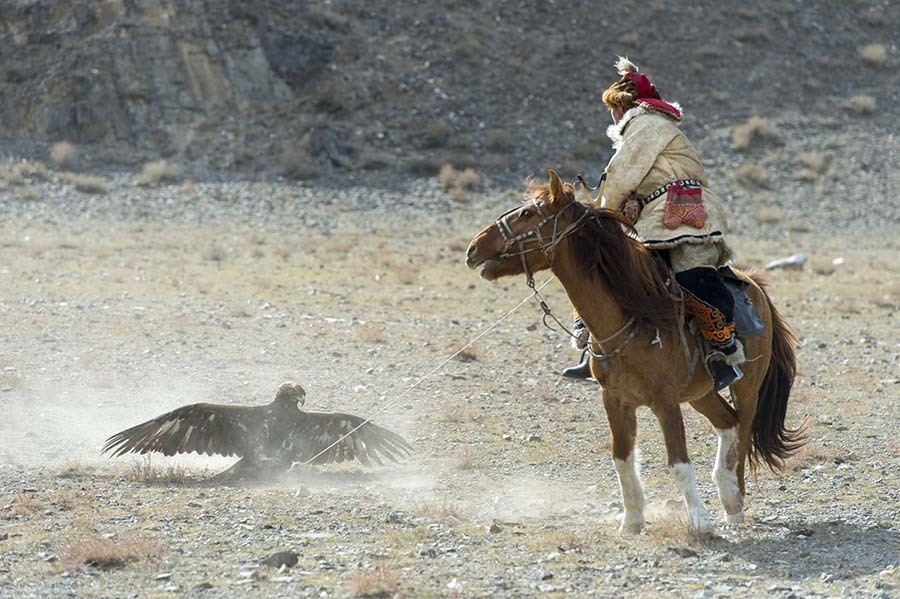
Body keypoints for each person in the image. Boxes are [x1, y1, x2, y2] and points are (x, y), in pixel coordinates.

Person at [562, 57, 743, 391]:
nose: (612, 117)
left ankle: (725, 351)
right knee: (625, 275)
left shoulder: (646, 125)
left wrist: (601, 217)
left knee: (693, 278)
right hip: (659, 214)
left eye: (612, 109)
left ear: (624, 106)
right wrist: (634, 205)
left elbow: (620, 176)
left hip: (686, 212)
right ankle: (599, 353)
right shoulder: (650, 128)